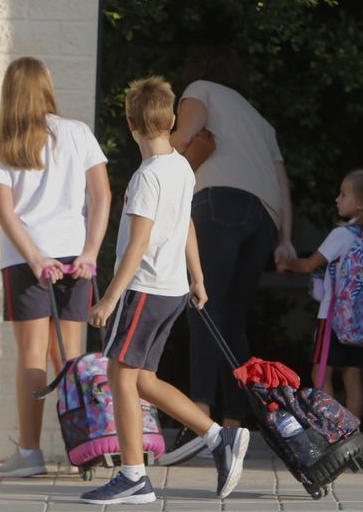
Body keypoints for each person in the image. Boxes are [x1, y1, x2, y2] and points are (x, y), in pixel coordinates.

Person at [82, 76, 249, 505]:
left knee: (119, 374)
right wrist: (197, 277)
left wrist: (109, 298)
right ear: (173, 119)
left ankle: (134, 476)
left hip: (144, 289)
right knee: (143, 379)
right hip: (172, 290)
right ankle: (218, 437)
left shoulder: (146, 178)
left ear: (130, 122)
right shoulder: (179, 167)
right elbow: (186, 223)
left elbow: (138, 244)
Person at [165, 46, 296, 460]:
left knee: (203, 307)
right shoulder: (260, 120)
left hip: (220, 200)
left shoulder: (200, 89)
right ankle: (235, 426)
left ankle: (199, 423)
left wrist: (164, 145)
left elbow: (182, 139)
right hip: (265, 218)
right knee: (232, 320)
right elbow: (282, 183)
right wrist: (286, 238)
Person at [0, 57, 112, 478]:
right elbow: (102, 196)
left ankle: (29, 453)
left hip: (27, 260)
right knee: (71, 357)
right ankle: (84, 447)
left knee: (32, 356)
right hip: (76, 259)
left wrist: (36, 258)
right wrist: (90, 252)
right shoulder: (77, 134)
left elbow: (5, 212)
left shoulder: (4, 143)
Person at [275, 169, 363, 418]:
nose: (337, 199)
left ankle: (329, 429)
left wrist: (286, 263)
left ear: (361, 203)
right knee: (352, 376)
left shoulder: (342, 235)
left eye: (343, 194)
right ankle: (352, 433)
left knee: (321, 373)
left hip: (333, 318)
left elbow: (310, 265)